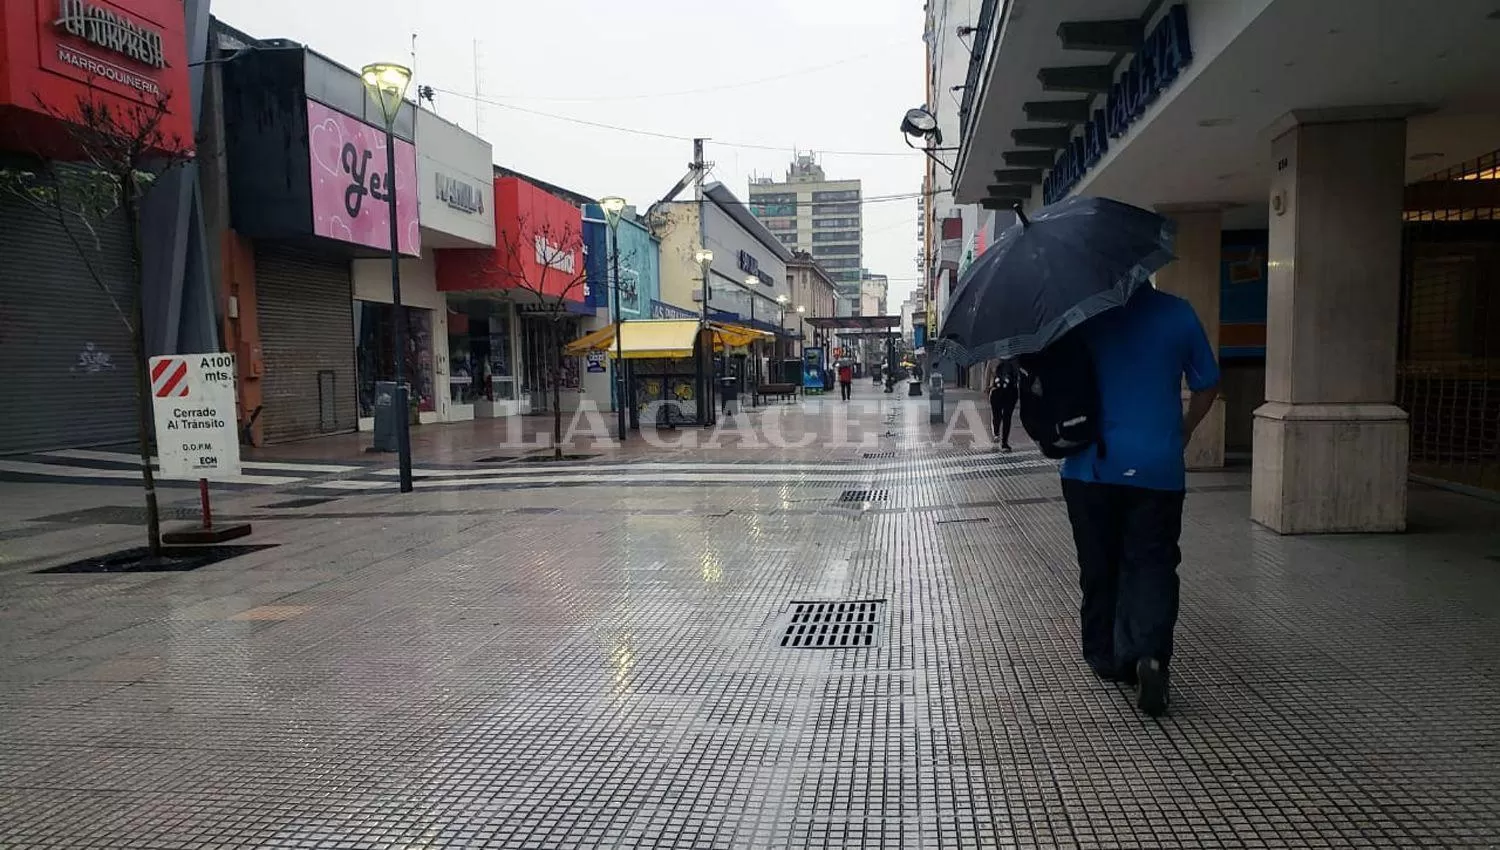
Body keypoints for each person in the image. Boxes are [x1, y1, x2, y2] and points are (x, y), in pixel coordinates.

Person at [1059, 285, 1219, 718]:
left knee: (1099, 562)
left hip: (1089, 466)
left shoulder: (1080, 318)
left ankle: (1106, 654)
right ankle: (1148, 653)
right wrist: (1184, 428)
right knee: (1152, 562)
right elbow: (1207, 384)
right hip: (1157, 466)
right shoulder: (1178, 313)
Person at [988, 359, 1019, 451]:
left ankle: (996, 434)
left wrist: (989, 387)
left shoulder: (993, 359)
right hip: (1011, 392)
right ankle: (1004, 443)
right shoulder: (1016, 359)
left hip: (996, 391)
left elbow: (988, 375)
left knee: (997, 415)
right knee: (1007, 417)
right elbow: (1018, 376)